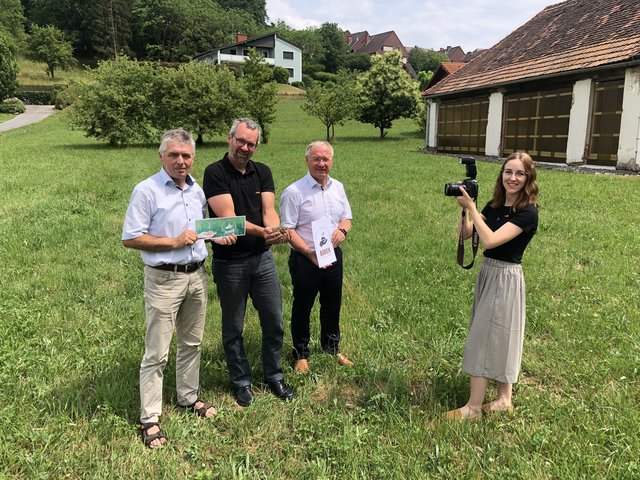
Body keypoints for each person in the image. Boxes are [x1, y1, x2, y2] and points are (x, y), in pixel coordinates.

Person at [122, 128, 234, 448]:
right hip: (163, 279)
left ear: (193, 158)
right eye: (173, 155)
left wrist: (216, 234)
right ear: (161, 157)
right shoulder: (147, 190)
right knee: (157, 352)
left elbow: (198, 230)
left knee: (191, 343)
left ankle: (188, 398)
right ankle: (150, 418)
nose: (180, 161)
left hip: (196, 276)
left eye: (186, 155)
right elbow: (130, 237)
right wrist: (172, 241)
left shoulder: (196, 190)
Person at [202, 118, 295, 407]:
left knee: (274, 320)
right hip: (230, 263)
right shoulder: (215, 172)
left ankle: (273, 374)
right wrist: (263, 232)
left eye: (251, 144)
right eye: (240, 141)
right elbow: (229, 220)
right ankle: (241, 381)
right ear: (230, 139)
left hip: (262, 258)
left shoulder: (262, 172)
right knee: (233, 325)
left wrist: (276, 230)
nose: (245, 148)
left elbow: (269, 210)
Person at [446, 152, 539, 421]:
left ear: (528, 178)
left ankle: (473, 408)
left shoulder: (527, 212)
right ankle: (503, 400)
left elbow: (491, 240)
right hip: (489, 274)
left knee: (484, 337)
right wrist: (466, 208)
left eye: (519, 173)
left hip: (506, 277)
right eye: (508, 172)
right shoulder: (494, 205)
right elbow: (467, 233)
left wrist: (474, 209)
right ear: (502, 175)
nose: (512, 178)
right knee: (498, 335)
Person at [280, 141, 354, 374]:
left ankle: (331, 348)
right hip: (305, 258)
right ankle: (300, 353)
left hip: (332, 256)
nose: (321, 164)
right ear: (307, 161)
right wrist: (309, 253)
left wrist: (342, 231)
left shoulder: (338, 187)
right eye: (316, 159)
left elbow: (347, 218)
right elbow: (288, 230)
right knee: (303, 306)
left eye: (326, 159)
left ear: (332, 161)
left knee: (332, 304)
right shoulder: (294, 192)